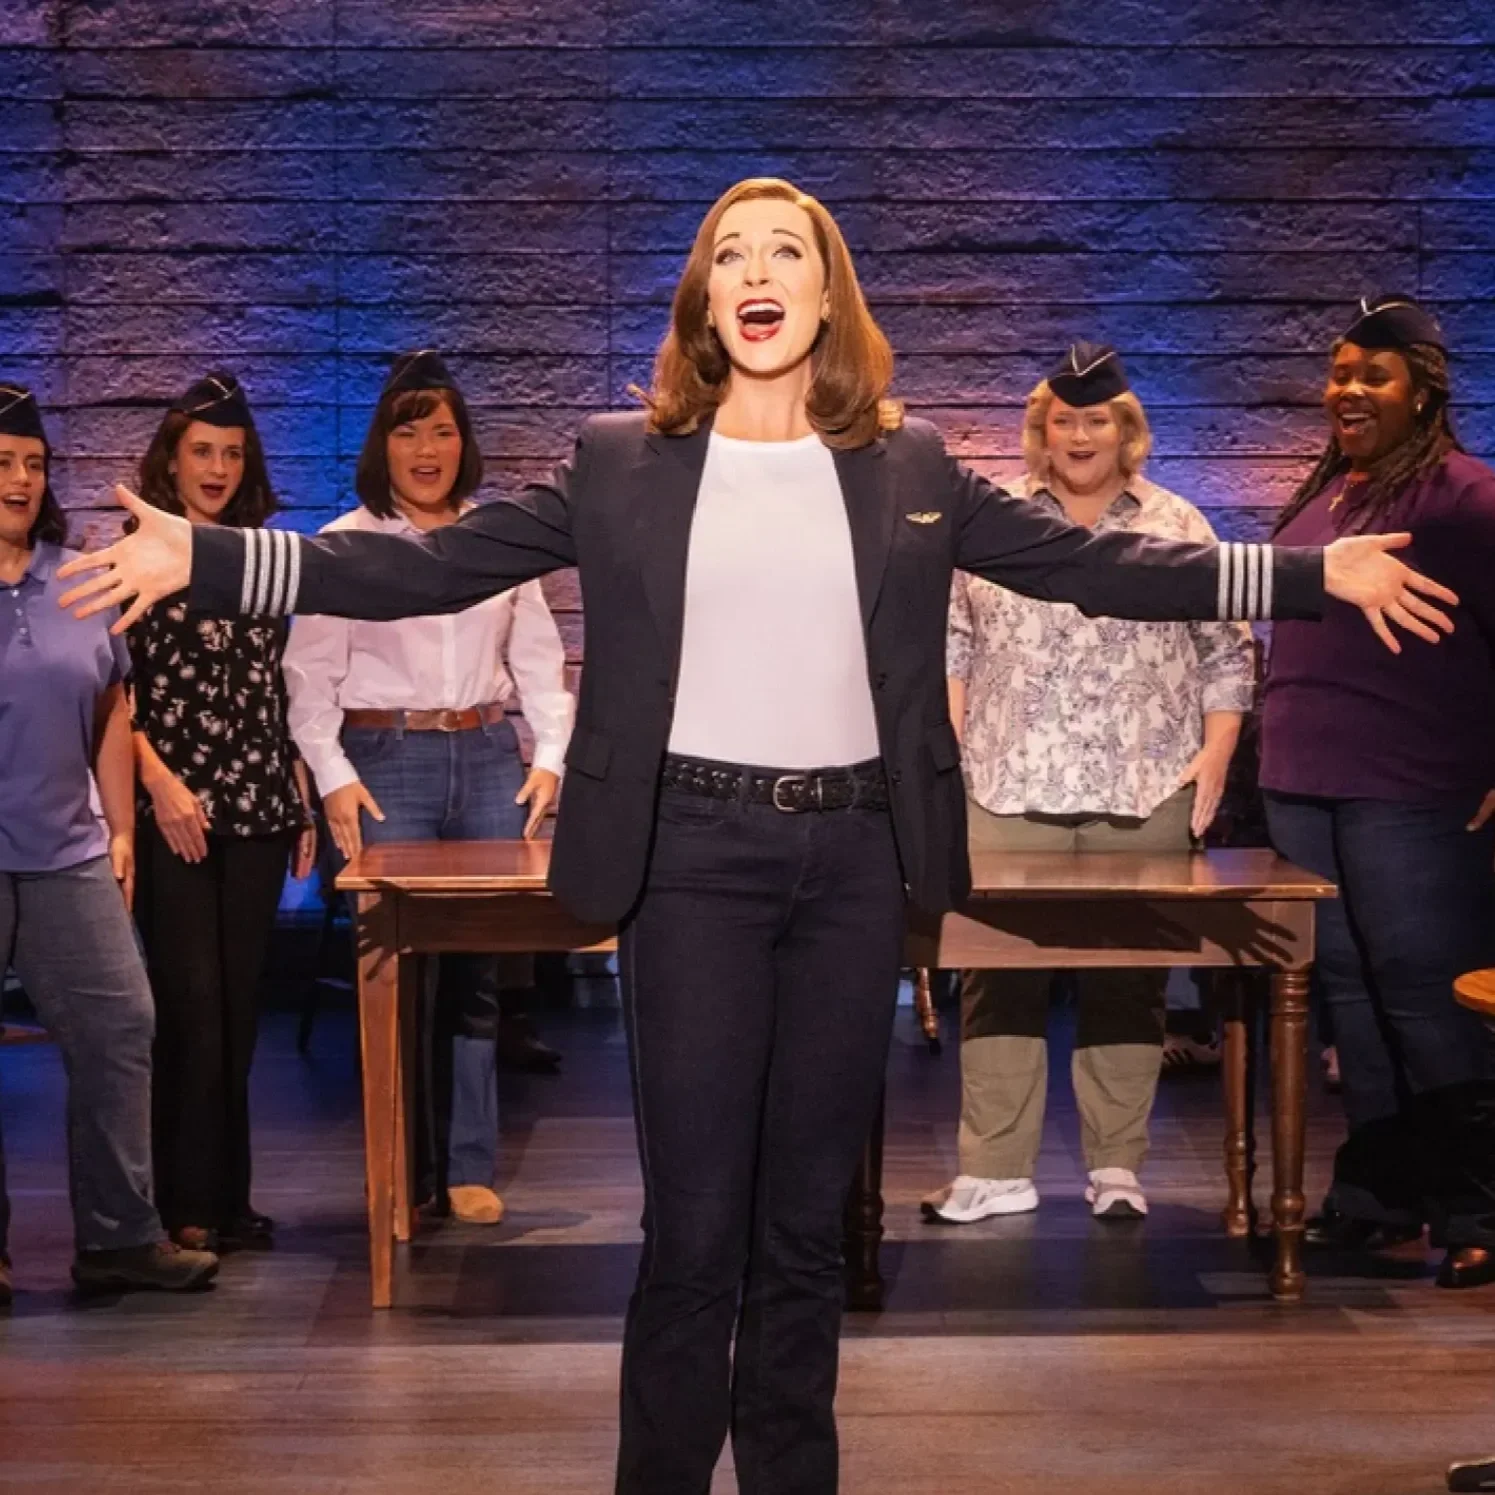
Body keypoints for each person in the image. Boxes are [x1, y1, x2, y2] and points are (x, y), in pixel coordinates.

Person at [60, 180, 1454, 1493]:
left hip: (852, 862)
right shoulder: (623, 461)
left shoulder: (907, 463)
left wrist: (1305, 572)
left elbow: (1097, 564)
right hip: (692, 858)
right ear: (700, 300)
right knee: (693, 1233)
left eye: (783, 250)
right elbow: (429, 559)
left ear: (828, 294)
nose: (754, 272)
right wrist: (218, 554)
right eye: (729, 254)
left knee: (800, 1235)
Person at [926, 344, 1255, 1225]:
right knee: (996, 975)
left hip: (1142, 783)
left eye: (1095, 418)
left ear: (1126, 429)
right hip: (1005, 780)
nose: (1078, 434)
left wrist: (1216, 753)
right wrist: (950, 742)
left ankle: (1116, 1164)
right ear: (1040, 430)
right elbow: (952, 637)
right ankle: (994, 1167)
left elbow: (1226, 648)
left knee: (1130, 976)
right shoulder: (993, 521)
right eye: (1061, 419)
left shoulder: (1177, 524)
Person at [282, 349, 573, 1224]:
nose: (426, 448)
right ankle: (402, 1168)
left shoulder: (497, 538)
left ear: (462, 443)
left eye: (442, 430)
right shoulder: (345, 544)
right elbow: (308, 678)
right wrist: (330, 775)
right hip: (385, 764)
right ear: (383, 442)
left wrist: (548, 757)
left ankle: (468, 1164)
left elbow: (539, 663)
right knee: (394, 974)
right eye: (408, 430)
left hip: (484, 753)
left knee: (478, 970)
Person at [1260, 295, 1495, 1287]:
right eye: (1338, 373)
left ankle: (1476, 1202)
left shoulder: (1464, 496)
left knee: (1421, 994)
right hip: (1306, 787)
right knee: (1348, 997)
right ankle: (1378, 1193)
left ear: (1422, 390)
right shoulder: (1326, 495)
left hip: (1411, 788)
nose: (1346, 390)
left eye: (1372, 375)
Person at [0, 383, 218, 1303]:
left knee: (121, 1022)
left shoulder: (80, 579)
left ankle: (120, 1235)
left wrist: (122, 826)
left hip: (67, 850)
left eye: (32, 463)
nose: (18, 478)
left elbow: (110, 710)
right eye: (2, 462)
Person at [129, 373, 317, 1254]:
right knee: (190, 1009)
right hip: (175, 808)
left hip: (258, 805)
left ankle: (230, 1198)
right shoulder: (137, 552)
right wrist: (157, 783)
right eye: (201, 451)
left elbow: (278, 688)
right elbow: (110, 692)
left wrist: (301, 786)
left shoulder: (261, 555)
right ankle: (181, 1202)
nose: (216, 467)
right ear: (171, 456)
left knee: (240, 1012)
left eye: (232, 454)